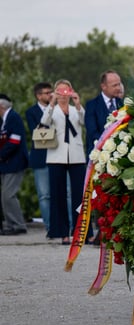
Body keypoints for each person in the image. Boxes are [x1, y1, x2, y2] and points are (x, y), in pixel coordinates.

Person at [40, 80, 86, 245]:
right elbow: (44, 123)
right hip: (56, 155)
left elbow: (83, 121)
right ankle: (62, 232)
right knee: (58, 195)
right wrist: (52, 103)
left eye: (66, 91)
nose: (63, 95)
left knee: (79, 195)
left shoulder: (75, 110)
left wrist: (78, 103)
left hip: (76, 155)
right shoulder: (51, 110)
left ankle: (81, 232)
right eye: (60, 92)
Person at [25, 83, 53, 235]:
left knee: (62, 193)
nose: (50, 95)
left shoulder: (58, 110)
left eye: (51, 92)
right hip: (40, 157)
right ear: (38, 95)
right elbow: (37, 132)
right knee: (44, 195)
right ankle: (49, 226)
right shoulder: (31, 112)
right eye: (46, 93)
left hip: (57, 155)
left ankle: (65, 226)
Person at [0, 94, 29, 235]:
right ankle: (11, 225)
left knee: (9, 194)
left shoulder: (13, 118)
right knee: (5, 195)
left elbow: (14, 141)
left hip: (14, 162)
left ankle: (18, 225)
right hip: (6, 163)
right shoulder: (4, 120)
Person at [84, 70, 123, 155]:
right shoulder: (92, 105)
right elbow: (92, 132)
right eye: (114, 85)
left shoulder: (122, 104)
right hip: (98, 156)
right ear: (103, 86)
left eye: (119, 84)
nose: (118, 88)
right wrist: (109, 144)